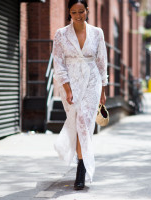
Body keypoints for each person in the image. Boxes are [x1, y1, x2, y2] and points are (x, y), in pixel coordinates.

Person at [52, 0, 108, 190]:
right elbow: (58, 64)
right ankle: (78, 157)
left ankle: (81, 169)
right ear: (69, 13)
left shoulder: (97, 33)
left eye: (81, 11)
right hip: (72, 83)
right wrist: (67, 89)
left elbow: (102, 62)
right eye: (74, 12)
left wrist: (103, 89)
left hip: (93, 82)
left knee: (85, 122)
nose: (78, 15)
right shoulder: (60, 34)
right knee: (77, 123)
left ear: (87, 10)